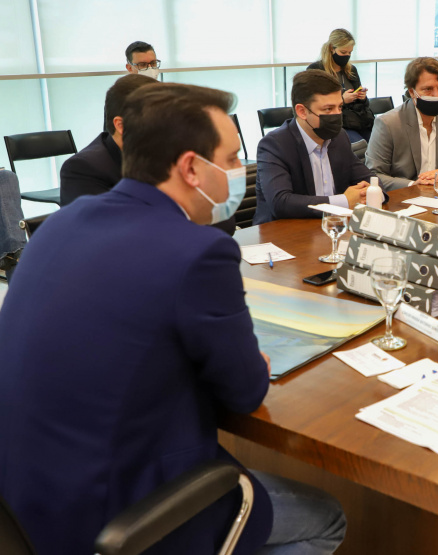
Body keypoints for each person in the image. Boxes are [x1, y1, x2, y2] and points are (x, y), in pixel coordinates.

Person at [0, 83, 346, 554]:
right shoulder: (198, 252)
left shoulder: (65, 221)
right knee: (326, 517)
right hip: (115, 513)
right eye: (229, 159)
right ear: (190, 168)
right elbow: (246, 391)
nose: (239, 171)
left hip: (25, 495)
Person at [59, 75, 235, 235]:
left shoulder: (175, 154)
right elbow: (113, 238)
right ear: (121, 125)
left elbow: (223, 223)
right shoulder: (84, 168)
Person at [254, 69, 377, 224]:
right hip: (284, 235)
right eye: (328, 109)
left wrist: (369, 192)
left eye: (340, 107)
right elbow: (281, 202)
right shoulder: (275, 144)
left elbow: (371, 179)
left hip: (332, 229)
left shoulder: (339, 137)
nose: (337, 115)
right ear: (302, 111)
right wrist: (343, 201)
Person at [365, 57, 438, 191]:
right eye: (428, 89)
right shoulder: (388, 123)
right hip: (403, 201)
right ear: (412, 92)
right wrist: (413, 186)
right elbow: (373, 175)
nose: (436, 95)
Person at [60, 74, 160, 205]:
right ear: (121, 125)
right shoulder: (83, 169)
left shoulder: (164, 154)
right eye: (156, 118)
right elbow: (103, 223)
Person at [308, 29, 374, 143]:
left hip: (358, 121)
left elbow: (364, 105)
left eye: (350, 53)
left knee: (379, 144)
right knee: (361, 147)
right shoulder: (316, 70)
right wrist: (342, 100)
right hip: (336, 123)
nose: (347, 56)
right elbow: (315, 103)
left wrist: (362, 98)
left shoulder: (351, 70)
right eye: (343, 52)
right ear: (331, 48)